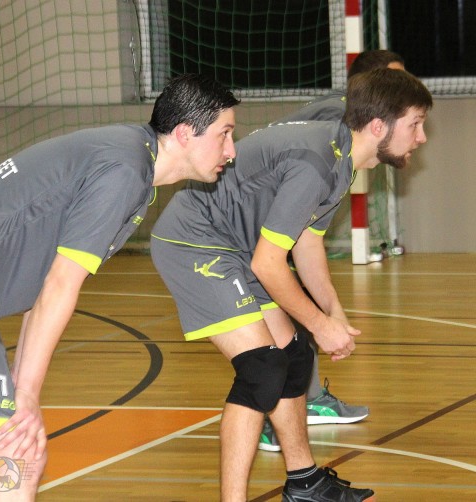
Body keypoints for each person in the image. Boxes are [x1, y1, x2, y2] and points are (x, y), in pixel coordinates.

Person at [0, 74, 239, 501]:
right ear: (184, 133)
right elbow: (61, 282)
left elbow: (44, 287)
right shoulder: (125, 169)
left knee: (9, 454)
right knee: (20, 454)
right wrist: (26, 395)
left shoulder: (130, 164)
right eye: (225, 134)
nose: (231, 151)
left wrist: (22, 388)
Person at [150, 68, 432, 501]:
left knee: (294, 354)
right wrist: (320, 324)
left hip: (239, 250)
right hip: (196, 243)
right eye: (415, 124)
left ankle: (304, 483)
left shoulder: (341, 158)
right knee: (261, 368)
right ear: (379, 126)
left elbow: (306, 242)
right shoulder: (318, 164)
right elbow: (269, 263)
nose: (421, 137)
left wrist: (333, 312)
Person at [259, 49, 407, 453]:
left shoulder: (343, 118)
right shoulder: (336, 120)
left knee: (299, 313)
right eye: (398, 82)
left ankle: (305, 401)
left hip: (278, 223)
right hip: (252, 227)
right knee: (279, 325)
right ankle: (282, 414)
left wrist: (331, 309)